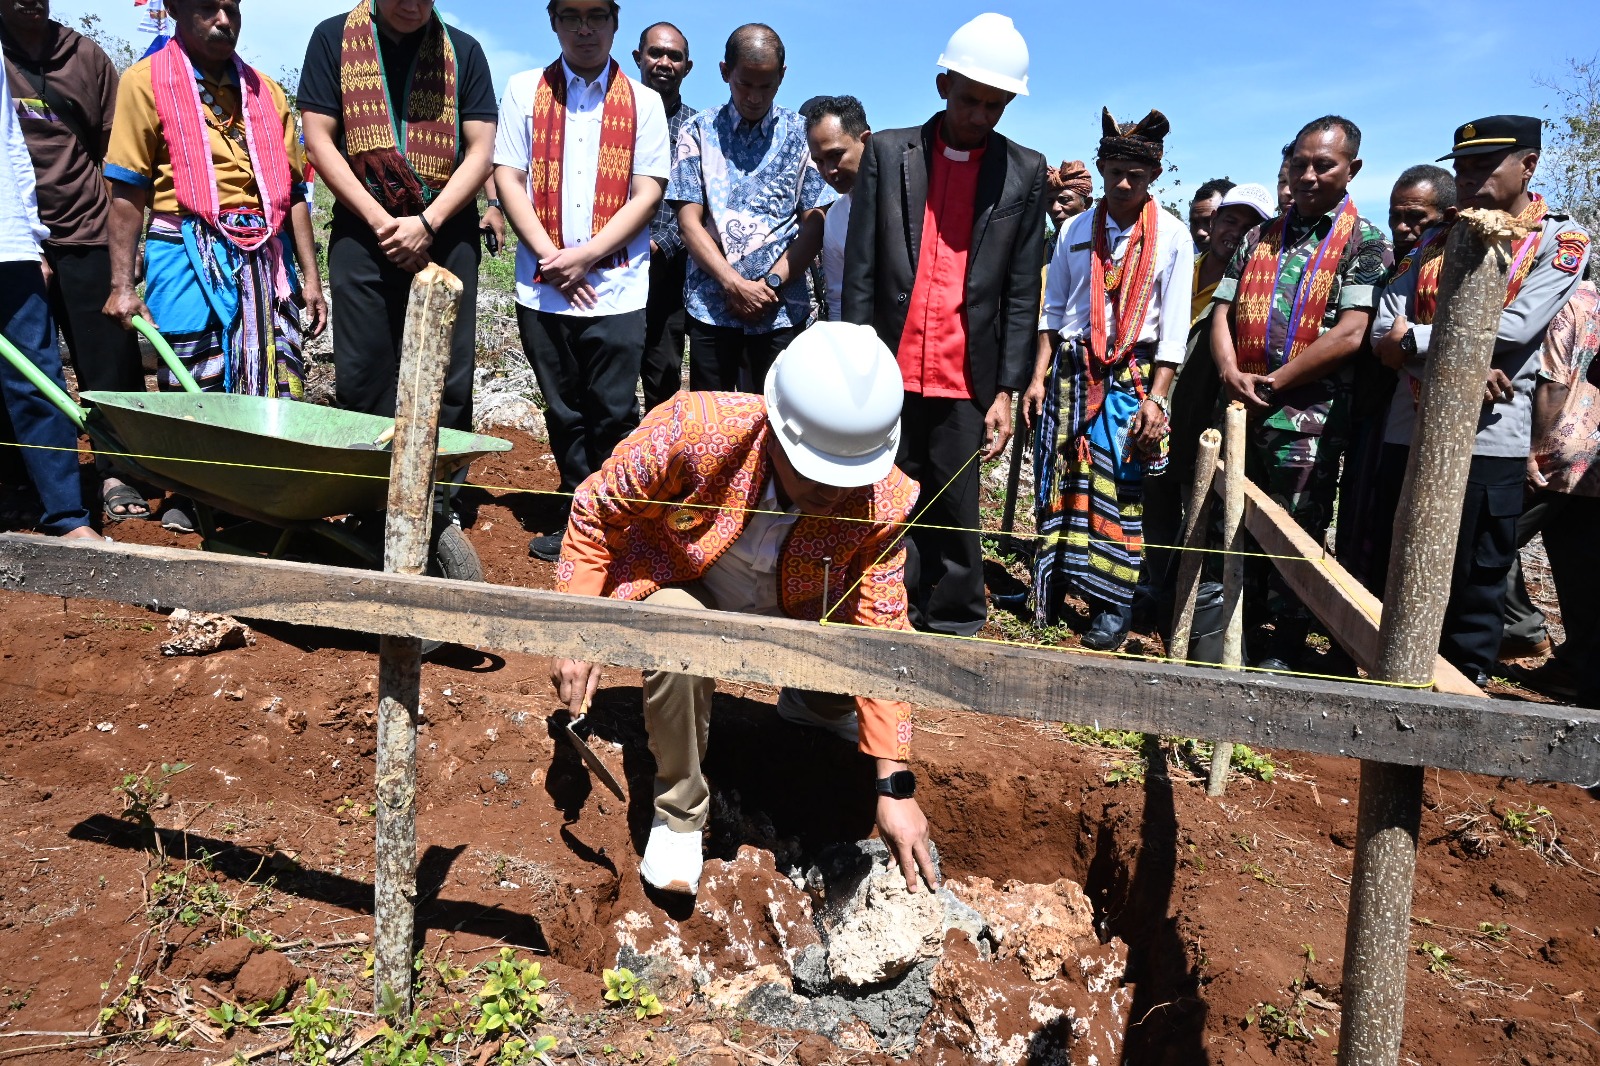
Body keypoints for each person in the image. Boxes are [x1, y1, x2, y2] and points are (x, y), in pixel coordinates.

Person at [549, 322, 936, 897]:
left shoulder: (882, 501)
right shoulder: (693, 431)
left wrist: (894, 788)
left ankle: (814, 705)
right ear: (775, 431)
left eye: (847, 476)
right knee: (679, 632)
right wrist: (577, 628)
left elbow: (882, 630)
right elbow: (595, 510)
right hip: (687, 579)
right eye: (819, 473)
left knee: (855, 647)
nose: (834, 492)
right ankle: (679, 813)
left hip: (803, 612)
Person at [843, 13, 1048, 637]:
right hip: (890, 361)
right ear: (943, 86)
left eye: (994, 105)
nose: (979, 115)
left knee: (957, 505)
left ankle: (956, 617)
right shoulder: (887, 152)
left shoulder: (1025, 171)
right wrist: (856, 356)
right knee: (885, 492)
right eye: (969, 99)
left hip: (967, 369)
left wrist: (1007, 390)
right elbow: (862, 264)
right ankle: (883, 605)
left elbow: (1020, 290)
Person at [1370, 115, 1591, 686]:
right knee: (1400, 550)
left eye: (1483, 165)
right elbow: (1381, 328)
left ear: (1529, 166)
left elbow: (1517, 329)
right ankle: (1394, 667)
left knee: (1477, 566)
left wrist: (1419, 341)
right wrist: (1457, 357)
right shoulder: (1438, 238)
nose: (1469, 178)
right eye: (1462, 167)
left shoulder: (1561, 241)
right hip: (1412, 421)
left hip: (1492, 429)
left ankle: (1465, 678)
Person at [1210, 116, 1390, 671]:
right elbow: (1223, 308)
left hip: (1309, 415)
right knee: (1234, 515)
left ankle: (1286, 642)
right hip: (1243, 400)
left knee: (1297, 526)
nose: (1309, 175)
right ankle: (1231, 632)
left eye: (1324, 165)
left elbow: (1351, 332)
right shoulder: (1259, 235)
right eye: (1300, 164)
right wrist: (1229, 371)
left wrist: (1277, 382)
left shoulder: (1366, 240)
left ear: (1351, 170)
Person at [496, 0, 670, 563]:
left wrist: (587, 256)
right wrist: (553, 258)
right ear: (553, 22)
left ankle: (617, 524)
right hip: (542, 286)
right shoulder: (525, 90)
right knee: (563, 408)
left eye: (597, 15)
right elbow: (508, 177)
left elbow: (647, 191)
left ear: (616, 23)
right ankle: (579, 516)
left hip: (616, 287)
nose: (585, 28)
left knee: (614, 410)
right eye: (571, 16)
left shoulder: (643, 102)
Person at [1024, 108, 1192, 649]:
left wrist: (1158, 400)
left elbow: (1173, 326)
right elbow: (1053, 311)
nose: (1123, 184)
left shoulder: (1172, 235)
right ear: (1100, 168)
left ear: (1154, 178)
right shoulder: (1075, 228)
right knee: (1061, 479)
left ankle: (1112, 606)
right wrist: (1036, 378)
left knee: (1120, 489)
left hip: (1134, 375)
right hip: (1072, 371)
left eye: (1135, 176)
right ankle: (1055, 587)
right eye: (1114, 172)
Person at [102, 0, 326, 401]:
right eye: (208, 8)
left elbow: (293, 194)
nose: (224, 21)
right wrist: (121, 285)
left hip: (268, 260)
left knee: (279, 387)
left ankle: (264, 464)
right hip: (184, 254)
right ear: (174, 8)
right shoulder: (144, 82)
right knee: (195, 386)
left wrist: (311, 279)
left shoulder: (267, 91)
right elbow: (127, 191)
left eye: (232, 10)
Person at [298, 0, 497, 444]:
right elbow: (318, 140)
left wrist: (427, 223)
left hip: (446, 231)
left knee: (446, 370)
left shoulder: (464, 52)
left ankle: (441, 495)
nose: (412, 5)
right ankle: (370, 498)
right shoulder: (333, 39)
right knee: (364, 370)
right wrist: (383, 223)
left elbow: (481, 150)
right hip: (364, 231)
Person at [1, 0, 148, 522]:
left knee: (108, 359)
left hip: (86, 230)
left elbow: (121, 154)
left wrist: (127, 254)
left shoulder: (83, 56)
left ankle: (117, 470)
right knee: (24, 368)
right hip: (15, 238)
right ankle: (28, 477)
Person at [666, 23, 832, 393]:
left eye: (766, 85)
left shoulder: (801, 134)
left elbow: (815, 222)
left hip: (781, 308)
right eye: (745, 84)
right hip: (711, 306)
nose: (755, 97)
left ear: (782, 77)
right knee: (713, 423)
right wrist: (733, 283)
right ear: (725, 72)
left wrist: (771, 284)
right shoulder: (698, 131)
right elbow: (688, 221)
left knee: (777, 421)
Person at [1142, 182, 1273, 610]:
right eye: (1229, 220)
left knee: (1197, 511)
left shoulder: (1259, 293)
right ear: (1213, 223)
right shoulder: (1182, 267)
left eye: (1250, 225)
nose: (1235, 232)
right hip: (1157, 411)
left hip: (1207, 423)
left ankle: (1181, 602)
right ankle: (1151, 586)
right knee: (1153, 504)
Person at [1338, 165, 1459, 589]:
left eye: (1416, 218)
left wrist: (1410, 340)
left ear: (1447, 213)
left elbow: (1468, 333)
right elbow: (1381, 336)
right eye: (1396, 216)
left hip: (1430, 414)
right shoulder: (1397, 264)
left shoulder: (1458, 264)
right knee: (1366, 510)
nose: (1403, 227)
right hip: (1378, 409)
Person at [0, 66, 94, 541]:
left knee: (37, 382)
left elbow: (11, 142)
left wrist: (31, 237)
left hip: (9, 245)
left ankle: (68, 517)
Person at [1504, 272, 1600, 698]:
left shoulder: (1561, 301)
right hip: (1592, 457)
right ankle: (1581, 669)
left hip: (1556, 452)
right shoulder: (1595, 300)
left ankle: (1520, 629)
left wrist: (1533, 450)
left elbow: (1554, 380)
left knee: (1487, 539)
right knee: (1579, 565)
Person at [634, 20, 694, 414]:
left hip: (669, 275)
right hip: (610, 270)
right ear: (639, 58)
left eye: (674, 56)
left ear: (687, 67)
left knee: (662, 377)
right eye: (656, 53)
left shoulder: (698, 127)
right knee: (609, 377)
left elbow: (696, 198)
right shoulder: (614, 117)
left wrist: (660, 243)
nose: (664, 62)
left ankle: (663, 467)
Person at [801, 94, 870, 323]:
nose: (828, 171)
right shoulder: (835, 219)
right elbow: (839, 299)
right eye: (819, 161)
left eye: (836, 155)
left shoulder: (910, 195)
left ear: (866, 141)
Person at [1188, 177, 1234, 254]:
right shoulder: (1183, 262)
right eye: (1194, 223)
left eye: (1210, 221)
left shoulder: (1256, 263)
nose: (1200, 232)